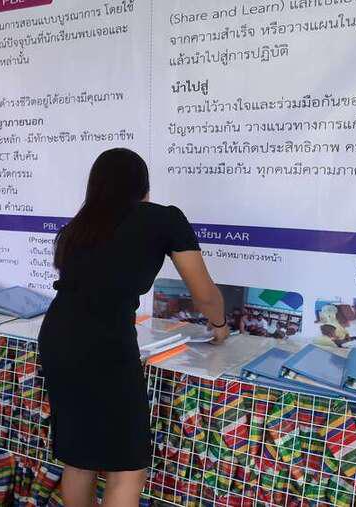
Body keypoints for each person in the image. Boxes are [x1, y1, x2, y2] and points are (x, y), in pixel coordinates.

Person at [38, 148, 229, 507]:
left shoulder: (78, 227)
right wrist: (219, 325)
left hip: (58, 338)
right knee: (127, 467)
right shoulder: (165, 219)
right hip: (105, 346)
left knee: (79, 457)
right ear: (143, 185)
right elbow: (205, 294)